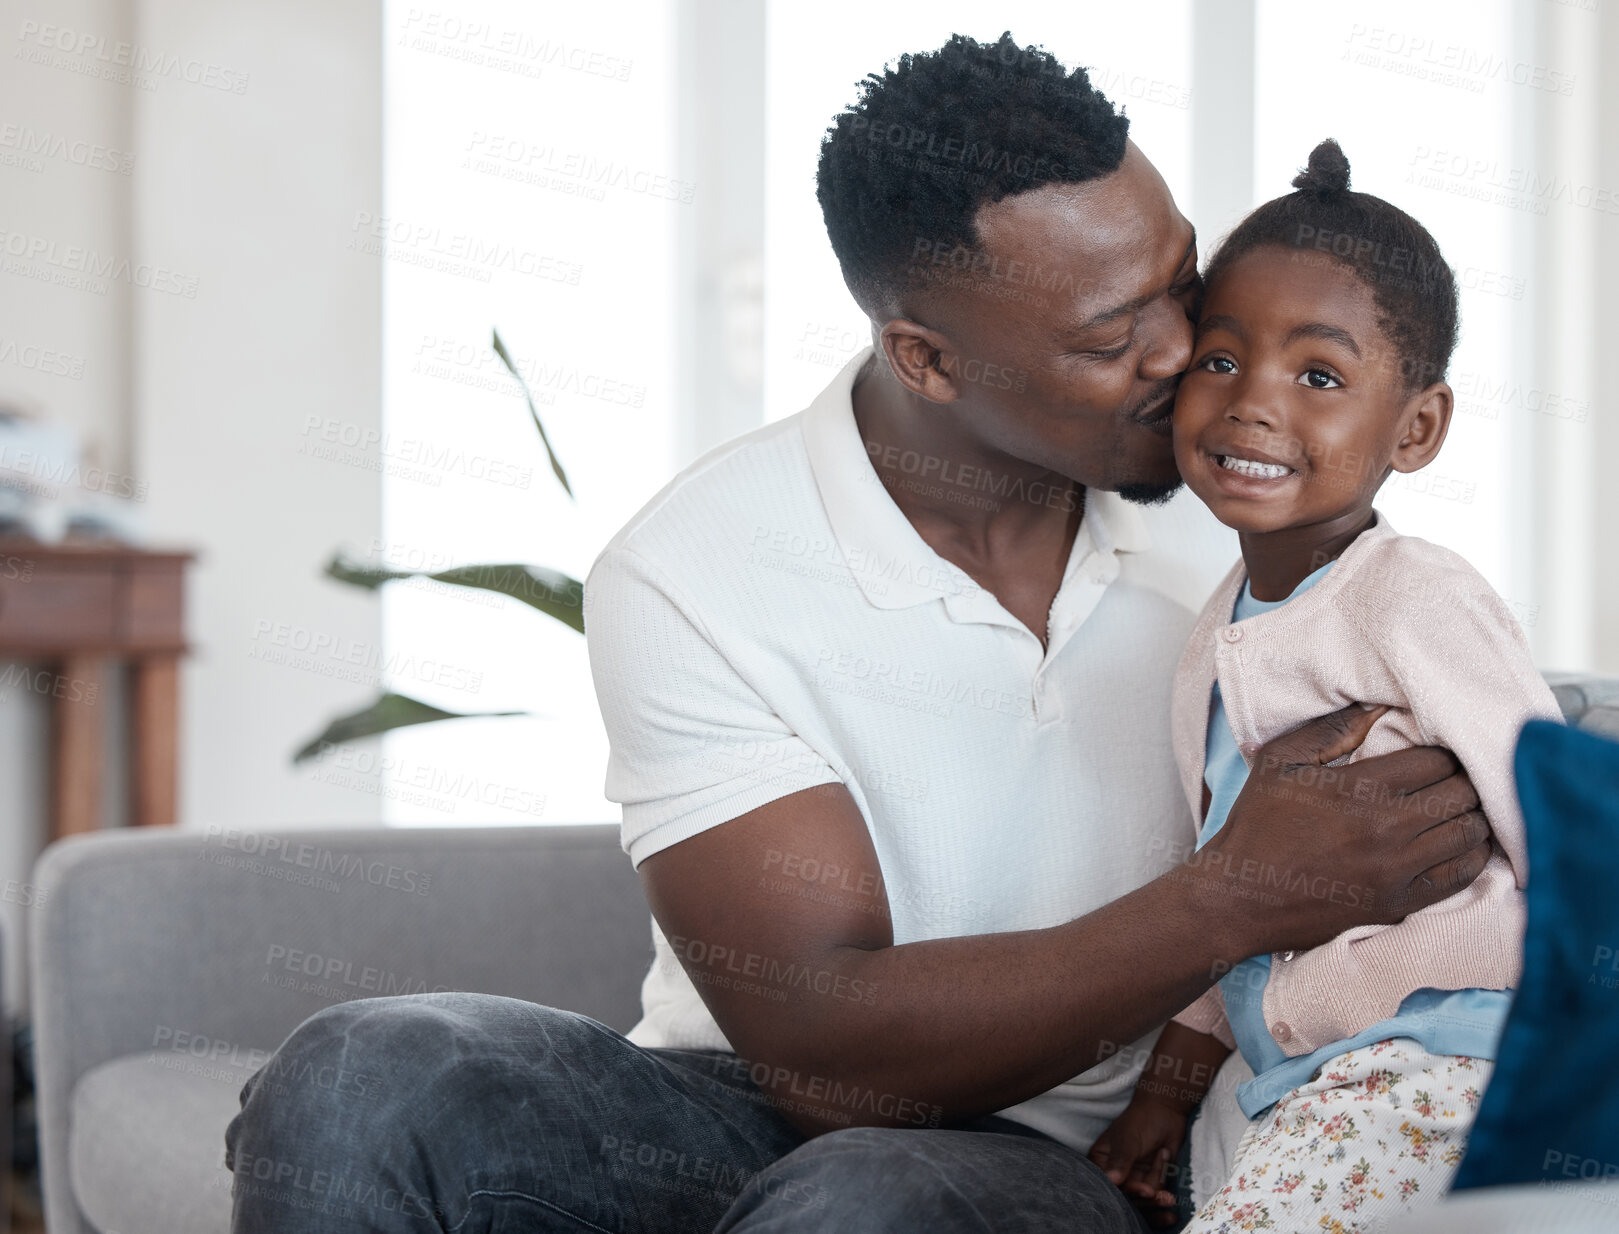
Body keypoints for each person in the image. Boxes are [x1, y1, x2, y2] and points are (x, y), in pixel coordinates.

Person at [225, 36, 1493, 1233]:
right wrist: (1228, 893)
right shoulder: (695, 571)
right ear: (927, 360)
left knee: (871, 1200)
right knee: (362, 1080)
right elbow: (824, 1054)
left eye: (1178, 285)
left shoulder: (1244, 501)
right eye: (1113, 338)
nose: (1186, 357)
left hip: (1082, 1159)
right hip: (757, 1105)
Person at [1087, 140, 1562, 1231]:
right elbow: (1231, 888)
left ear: (1415, 427)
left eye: (1316, 376)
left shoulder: (1410, 597)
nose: (1253, 404)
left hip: (1440, 1059)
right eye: (1219, 360)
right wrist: (1165, 1088)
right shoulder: (1211, 637)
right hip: (1307, 1077)